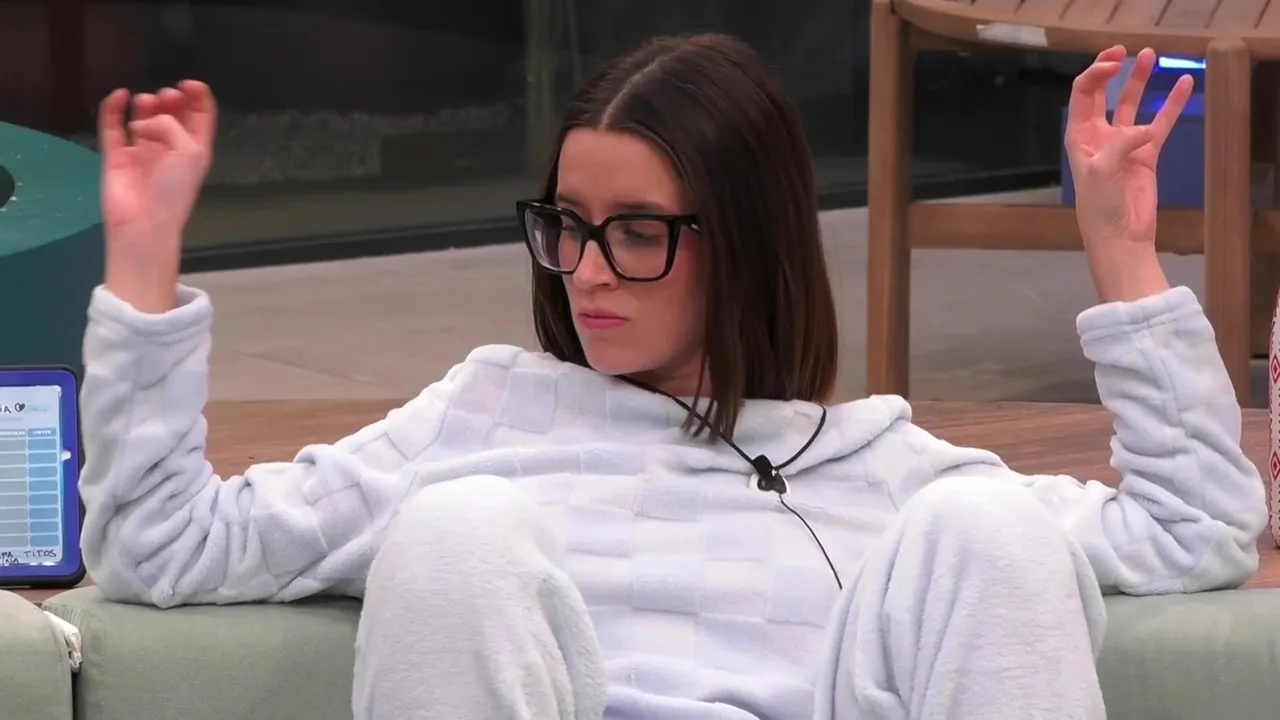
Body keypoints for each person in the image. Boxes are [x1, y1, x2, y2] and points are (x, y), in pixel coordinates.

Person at [80, 34, 1265, 720]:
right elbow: (162, 546)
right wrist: (142, 259)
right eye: (566, 225)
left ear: (742, 240)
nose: (587, 271)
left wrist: (1119, 248)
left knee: (987, 527)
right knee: (456, 530)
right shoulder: (486, 417)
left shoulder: (883, 470)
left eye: (636, 232)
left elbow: (1195, 531)